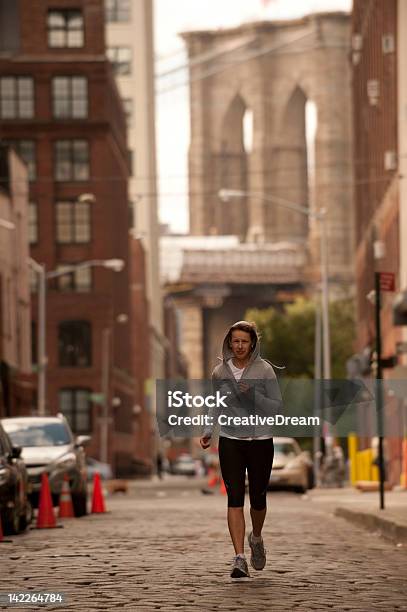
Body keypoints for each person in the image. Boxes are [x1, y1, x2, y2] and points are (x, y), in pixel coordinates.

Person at [200, 321, 282, 579]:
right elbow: (215, 404)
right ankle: (239, 558)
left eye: (244, 341)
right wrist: (208, 429)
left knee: (258, 497)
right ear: (229, 342)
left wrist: (252, 396)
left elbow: (276, 408)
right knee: (234, 496)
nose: (239, 346)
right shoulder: (219, 373)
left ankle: (255, 538)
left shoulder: (265, 370)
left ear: (252, 344)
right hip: (230, 439)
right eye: (235, 341)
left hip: (260, 440)